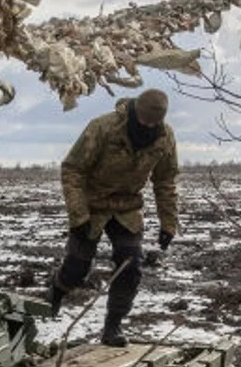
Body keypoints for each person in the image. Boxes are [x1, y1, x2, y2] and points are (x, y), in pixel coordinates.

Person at [47, 87, 179, 347]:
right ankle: (57, 289)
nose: (147, 126)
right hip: (91, 203)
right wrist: (79, 215)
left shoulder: (164, 137)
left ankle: (113, 327)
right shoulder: (103, 127)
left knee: (129, 266)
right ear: (134, 113)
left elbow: (165, 181)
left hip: (127, 207)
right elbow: (72, 170)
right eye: (143, 121)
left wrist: (169, 223)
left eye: (153, 123)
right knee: (78, 267)